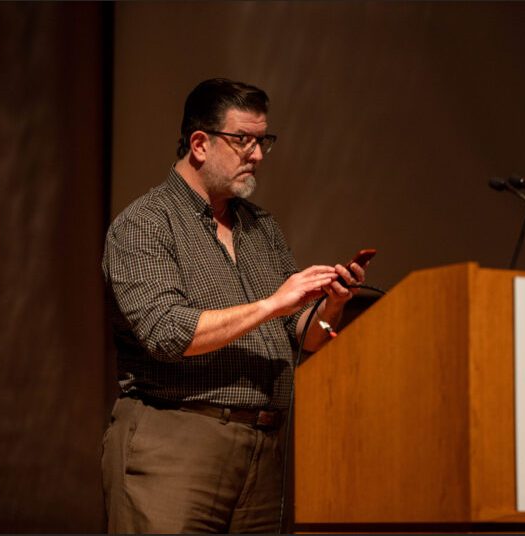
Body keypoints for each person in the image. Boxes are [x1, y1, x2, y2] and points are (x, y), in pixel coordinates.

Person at [101, 78, 367, 533]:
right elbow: (169, 333)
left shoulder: (261, 227)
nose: (258, 155)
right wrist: (273, 303)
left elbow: (300, 337)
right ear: (200, 144)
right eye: (244, 140)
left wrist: (330, 308)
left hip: (264, 451)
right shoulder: (144, 225)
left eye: (263, 141)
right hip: (177, 443)